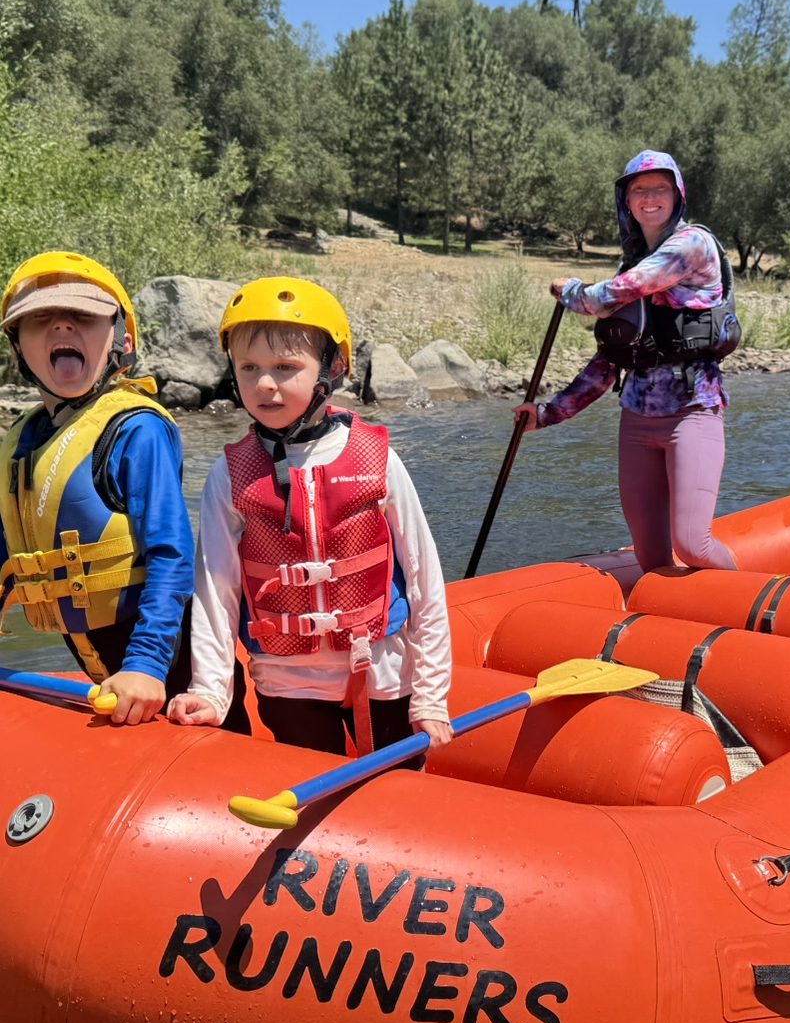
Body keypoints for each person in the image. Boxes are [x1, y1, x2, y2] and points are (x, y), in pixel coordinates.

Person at [168, 277, 453, 761]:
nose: (263, 383)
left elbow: (426, 577)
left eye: (285, 367)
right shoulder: (229, 474)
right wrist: (212, 691)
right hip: (287, 684)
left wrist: (430, 694)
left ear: (334, 367)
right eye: (249, 367)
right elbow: (216, 592)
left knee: (395, 800)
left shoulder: (379, 459)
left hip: (382, 676)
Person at [515, 149, 738, 573]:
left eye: (660, 188)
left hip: (692, 412)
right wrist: (545, 414)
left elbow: (611, 295)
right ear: (626, 201)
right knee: (651, 558)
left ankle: (752, 612)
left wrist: (571, 291)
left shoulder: (692, 244)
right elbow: (608, 363)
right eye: (639, 190)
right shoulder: (631, 264)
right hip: (636, 418)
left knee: (692, 545)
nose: (649, 197)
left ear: (677, 195)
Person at [0, 251, 194, 724]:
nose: (62, 328)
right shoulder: (22, 441)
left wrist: (147, 664)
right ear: (17, 346)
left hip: (166, 657)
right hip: (93, 658)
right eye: (40, 318)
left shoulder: (136, 429)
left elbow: (171, 555)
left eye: (83, 316)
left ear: (121, 340)